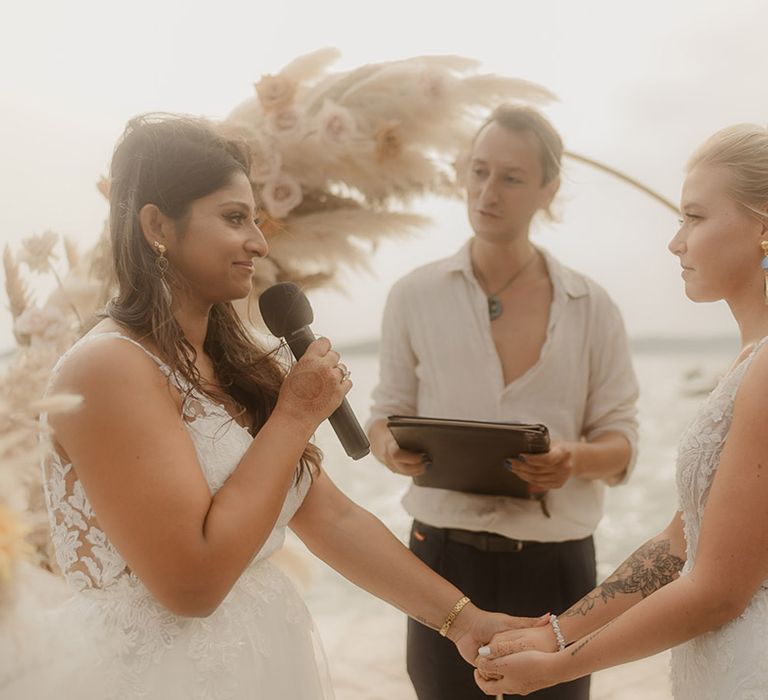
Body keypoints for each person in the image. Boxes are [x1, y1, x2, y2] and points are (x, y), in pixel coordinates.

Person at [13, 114, 540, 700]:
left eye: (256, 220)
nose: (259, 243)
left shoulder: (238, 360)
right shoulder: (106, 368)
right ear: (158, 225)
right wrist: (294, 415)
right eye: (234, 218)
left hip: (262, 661)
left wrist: (464, 621)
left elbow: (331, 519)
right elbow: (192, 586)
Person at [473, 123, 768, 700]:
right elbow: (682, 543)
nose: (676, 242)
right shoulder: (746, 365)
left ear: (763, 227)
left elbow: (720, 590)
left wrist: (560, 667)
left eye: (695, 217)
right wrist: (556, 634)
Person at [367, 104, 639, 700]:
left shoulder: (593, 306)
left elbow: (622, 445)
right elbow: (384, 413)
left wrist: (572, 460)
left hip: (558, 565)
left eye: (512, 177)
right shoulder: (412, 295)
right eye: (479, 171)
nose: (488, 192)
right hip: (438, 562)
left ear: (549, 189)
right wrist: (390, 447)